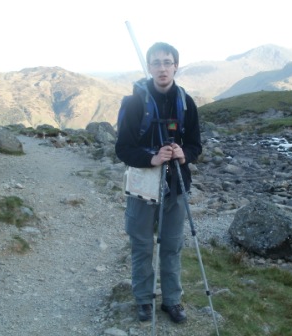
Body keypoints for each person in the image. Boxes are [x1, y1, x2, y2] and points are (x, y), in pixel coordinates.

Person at [115, 42, 202, 323]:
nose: (162, 68)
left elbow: (195, 146)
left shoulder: (187, 103)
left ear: (176, 65)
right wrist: (152, 158)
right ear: (148, 67)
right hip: (142, 187)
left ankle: (172, 301)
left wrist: (182, 154)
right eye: (156, 62)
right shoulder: (133, 103)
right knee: (142, 245)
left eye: (167, 62)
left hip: (175, 186)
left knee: (172, 246)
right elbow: (122, 148)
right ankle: (144, 300)